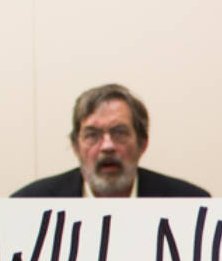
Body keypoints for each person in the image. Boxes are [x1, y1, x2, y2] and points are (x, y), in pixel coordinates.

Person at [12, 83, 210, 199]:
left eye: (119, 133)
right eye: (92, 135)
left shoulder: (188, 203)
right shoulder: (29, 204)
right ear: (75, 146)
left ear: (142, 143)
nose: (107, 146)